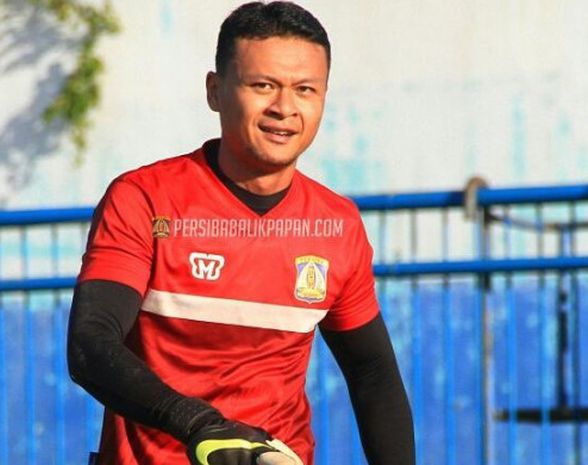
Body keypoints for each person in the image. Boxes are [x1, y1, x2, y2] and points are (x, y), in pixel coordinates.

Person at [67, 2, 415, 464]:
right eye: (262, 85)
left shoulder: (337, 225)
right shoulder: (144, 198)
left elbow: (372, 373)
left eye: (305, 89)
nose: (284, 108)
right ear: (215, 90)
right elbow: (91, 344)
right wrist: (200, 426)